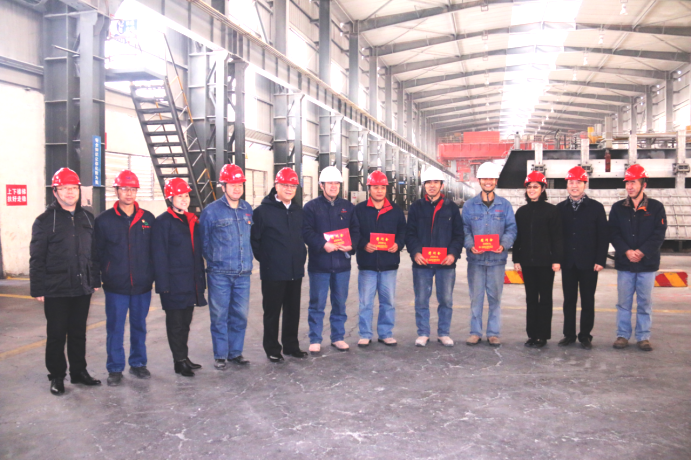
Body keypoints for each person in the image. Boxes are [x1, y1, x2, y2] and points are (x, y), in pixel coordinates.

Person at [30, 168, 102, 396]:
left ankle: (79, 372)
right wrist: (38, 288)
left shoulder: (87, 218)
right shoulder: (44, 221)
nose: (70, 192)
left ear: (79, 190)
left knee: (79, 332)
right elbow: (37, 257)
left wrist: (95, 279)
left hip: (82, 286)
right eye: (64, 188)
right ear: (55, 191)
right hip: (56, 288)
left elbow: (94, 252)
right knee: (57, 334)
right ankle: (57, 375)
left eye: (73, 188)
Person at [95, 170, 156, 387]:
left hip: (142, 284)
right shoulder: (104, 221)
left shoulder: (148, 219)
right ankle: (115, 368)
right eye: (124, 189)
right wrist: (97, 278)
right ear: (116, 191)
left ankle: (138, 363)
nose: (129, 193)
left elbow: (155, 251)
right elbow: (96, 253)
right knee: (115, 328)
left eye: (132, 189)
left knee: (139, 325)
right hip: (115, 286)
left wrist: (153, 276)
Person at [250, 168, 308, 363]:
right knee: (272, 312)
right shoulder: (262, 212)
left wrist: (300, 257)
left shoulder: (298, 211)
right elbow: (255, 240)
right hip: (273, 272)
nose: (289, 189)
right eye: (285, 185)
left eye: (293, 186)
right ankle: (272, 348)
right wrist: (268, 260)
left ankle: (291, 346)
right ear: (276, 186)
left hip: (295, 270)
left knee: (292, 311)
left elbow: (302, 237)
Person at [199, 164, 254, 370]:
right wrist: (217, 261)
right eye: (232, 184)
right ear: (223, 186)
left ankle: (235, 353)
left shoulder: (247, 209)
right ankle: (220, 354)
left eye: (240, 184)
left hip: (243, 273)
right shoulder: (211, 212)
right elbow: (204, 242)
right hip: (219, 274)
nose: (237, 188)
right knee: (219, 316)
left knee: (240, 316)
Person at [152, 178, 207, 377]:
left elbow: (197, 253)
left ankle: (183, 357)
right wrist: (163, 285)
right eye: (179, 196)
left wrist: (200, 282)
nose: (184, 199)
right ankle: (179, 361)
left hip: (190, 282)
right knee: (175, 324)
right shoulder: (163, 222)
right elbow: (159, 255)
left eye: (186, 196)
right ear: (170, 198)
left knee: (185, 323)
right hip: (173, 283)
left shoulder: (192, 220)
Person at [302, 166, 361, 354]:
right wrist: (322, 245)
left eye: (337, 183)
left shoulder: (348, 207)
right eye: (330, 183)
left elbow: (356, 230)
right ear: (321, 185)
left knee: (340, 303)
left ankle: (338, 337)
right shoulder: (311, 207)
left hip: (342, 265)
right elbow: (306, 232)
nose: (334, 186)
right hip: (319, 265)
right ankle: (315, 339)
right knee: (317, 304)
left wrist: (352, 245)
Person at [609, 165, 667, 352]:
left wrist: (642, 252)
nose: (630, 186)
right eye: (627, 183)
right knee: (623, 303)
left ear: (644, 184)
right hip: (625, 264)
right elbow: (614, 233)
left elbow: (659, 234)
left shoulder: (656, 208)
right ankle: (622, 335)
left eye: (633, 182)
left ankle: (643, 337)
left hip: (647, 264)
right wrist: (626, 251)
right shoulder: (618, 208)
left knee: (645, 303)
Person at [405, 166, 464, 348]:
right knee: (422, 299)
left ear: (441, 185)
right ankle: (423, 333)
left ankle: (443, 333)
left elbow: (458, 235)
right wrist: (415, 252)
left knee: (446, 299)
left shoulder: (451, 208)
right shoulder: (416, 207)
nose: (432, 185)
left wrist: (453, 254)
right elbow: (410, 233)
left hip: (445, 264)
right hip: (422, 263)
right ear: (424, 186)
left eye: (435, 182)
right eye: (428, 182)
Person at [462, 162, 517, 347]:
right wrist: (470, 245)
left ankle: (493, 333)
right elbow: (464, 229)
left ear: (496, 181)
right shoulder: (469, 205)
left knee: (495, 298)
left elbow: (511, 228)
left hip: (497, 261)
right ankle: (475, 332)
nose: (488, 181)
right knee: (476, 298)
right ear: (479, 181)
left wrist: (503, 245)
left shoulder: (505, 205)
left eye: (491, 179)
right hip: (476, 261)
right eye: (485, 178)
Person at [556, 166, 608, 350]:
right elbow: (556, 237)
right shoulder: (560, 209)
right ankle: (569, 335)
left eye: (578, 182)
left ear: (585, 184)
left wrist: (600, 260)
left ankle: (585, 335)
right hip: (568, 262)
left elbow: (603, 236)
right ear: (567, 185)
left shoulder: (596, 208)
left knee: (587, 300)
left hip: (589, 263)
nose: (574, 186)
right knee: (569, 300)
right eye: (571, 182)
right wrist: (557, 259)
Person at [354, 171, 407, 348]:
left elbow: (403, 232)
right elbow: (354, 232)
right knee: (365, 302)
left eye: (382, 187)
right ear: (369, 189)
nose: (379, 191)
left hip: (389, 265)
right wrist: (363, 244)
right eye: (375, 187)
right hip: (367, 264)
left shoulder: (395, 210)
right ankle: (365, 334)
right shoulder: (360, 210)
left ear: (386, 189)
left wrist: (398, 244)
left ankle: (385, 334)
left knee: (388, 302)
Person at [513, 172, 563, 348]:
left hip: (546, 263)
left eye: (535, 186)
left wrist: (557, 259)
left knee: (545, 299)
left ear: (543, 189)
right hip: (527, 262)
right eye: (529, 187)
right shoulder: (521, 212)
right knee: (531, 299)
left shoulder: (552, 211)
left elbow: (557, 237)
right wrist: (516, 259)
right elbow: (517, 238)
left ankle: (542, 335)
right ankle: (532, 334)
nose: (532, 190)